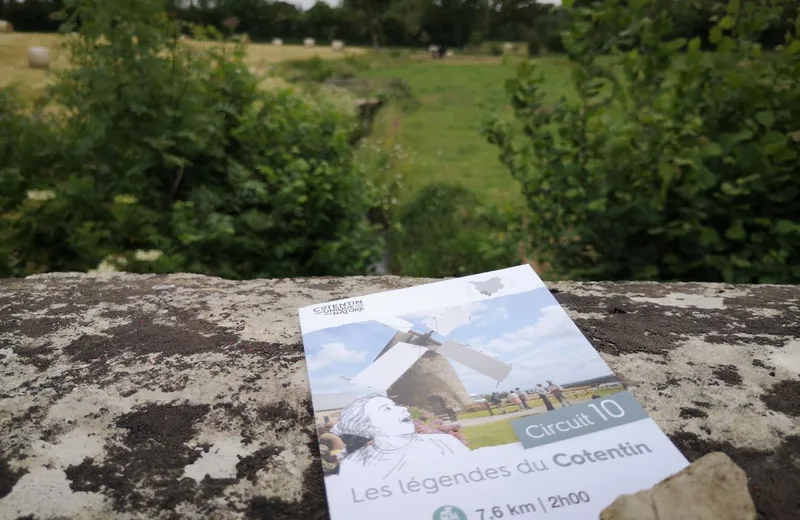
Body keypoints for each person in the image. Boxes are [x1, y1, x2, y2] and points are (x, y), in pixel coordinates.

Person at [330, 394, 468, 480]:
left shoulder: (444, 443)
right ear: (366, 427)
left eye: (395, 405)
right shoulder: (355, 463)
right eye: (387, 409)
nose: (403, 409)